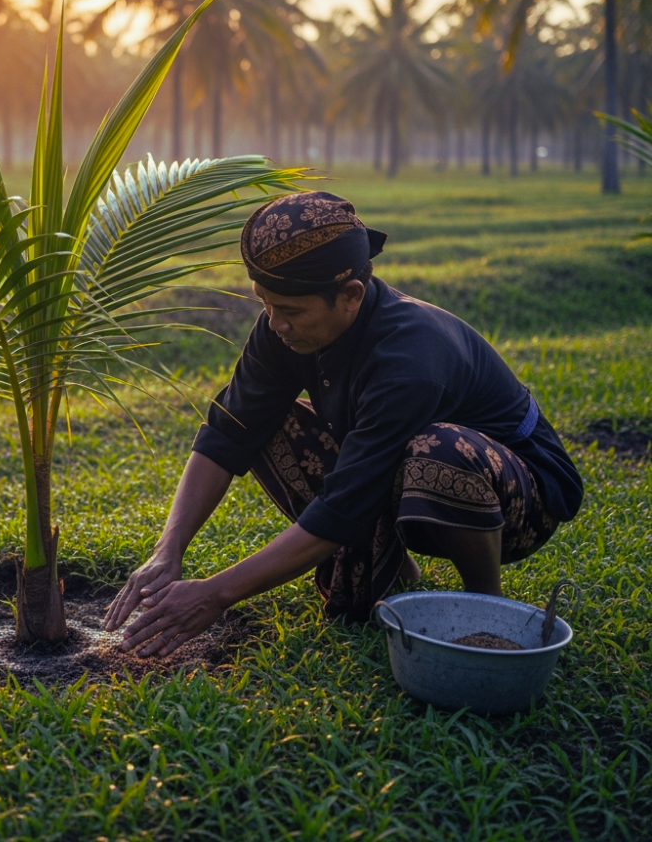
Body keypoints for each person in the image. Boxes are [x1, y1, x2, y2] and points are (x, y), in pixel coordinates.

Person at [104, 191, 583, 658]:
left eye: (289, 310)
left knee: (438, 450)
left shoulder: (410, 358)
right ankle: (396, 570)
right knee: (273, 427)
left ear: (351, 295)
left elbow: (342, 506)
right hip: (400, 478)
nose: (274, 324)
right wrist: (167, 551)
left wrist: (215, 593)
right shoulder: (283, 328)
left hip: (520, 498)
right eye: (264, 304)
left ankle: (485, 607)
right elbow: (228, 431)